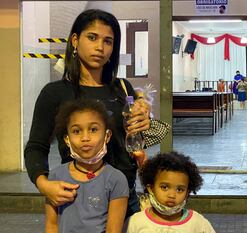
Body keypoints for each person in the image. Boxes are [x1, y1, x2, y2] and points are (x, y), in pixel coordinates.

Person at [24, 9, 168, 219]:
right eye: (92, 37)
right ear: (75, 40)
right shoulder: (55, 93)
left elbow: (132, 138)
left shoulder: (122, 88)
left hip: (125, 199)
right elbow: (36, 146)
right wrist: (44, 184)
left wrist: (144, 121)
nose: (100, 47)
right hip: (79, 199)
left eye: (108, 41)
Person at [45, 99, 129, 233]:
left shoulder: (116, 179)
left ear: (107, 136)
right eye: (77, 131)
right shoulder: (56, 176)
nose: (85, 138)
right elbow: (52, 225)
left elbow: (113, 230)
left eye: (93, 129)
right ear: (67, 139)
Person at [126, 151, 215, 232]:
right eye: (164, 187)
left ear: (187, 192)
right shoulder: (135, 223)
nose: (172, 195)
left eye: (180, 190)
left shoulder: (198, 223)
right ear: (151, 188)